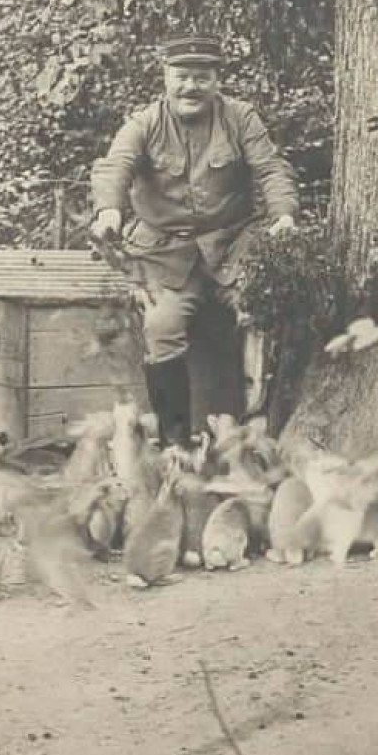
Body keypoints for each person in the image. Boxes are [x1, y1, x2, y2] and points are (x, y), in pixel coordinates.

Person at [90, 34, 299, 446]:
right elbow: (115, 167)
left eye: (201, 77)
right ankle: (175, 443)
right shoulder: (144, 123)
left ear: (216, 79)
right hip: (165, 253)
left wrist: (285, 216)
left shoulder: (240, 119)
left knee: (269, 311)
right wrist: (109, 210)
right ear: (166, 77)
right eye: (181, 76)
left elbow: (272, 169)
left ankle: (261, 430)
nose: (191, 87)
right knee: (161, 325)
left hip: (233, 247)